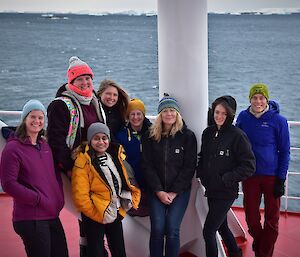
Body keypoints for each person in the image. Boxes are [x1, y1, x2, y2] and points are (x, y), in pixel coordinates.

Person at [47, 56, 106, 257]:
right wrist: (71, 167)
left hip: (96, 166)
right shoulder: (60, 105)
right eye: (80, 79)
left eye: (88, 78)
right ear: (70, 82)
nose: (85, 83)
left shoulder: (94, 99)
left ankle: (89, 250)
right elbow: (56, 140)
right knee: (88, 213)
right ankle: (93, 252)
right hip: (76, 167)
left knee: (92, 214)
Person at [0, 100, 69, 257]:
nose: (37, 121)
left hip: (51, 214)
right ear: (24, 119)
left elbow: (55, 175)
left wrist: (59, 198)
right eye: (32, 117)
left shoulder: (44, 146)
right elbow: (8, 184)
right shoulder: (13, 148)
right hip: (31, 217)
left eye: (40, 118)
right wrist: (37, 199)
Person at [196, 95, 256, 257]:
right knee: (221, 226)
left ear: (230, 115)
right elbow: (203, 157)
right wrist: (201, 174)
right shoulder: (208, 133)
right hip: (211, 189)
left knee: (208, 230)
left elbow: (249, 166)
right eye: (217, 112)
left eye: (223, 113)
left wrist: (227, 178)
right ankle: (235, 252)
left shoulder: (237, 136)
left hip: (226, 191)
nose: (219, 116)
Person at [236, 83, 290, 257]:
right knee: (251, 219)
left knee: (272, 220)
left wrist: (281, 179)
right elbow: (235, 141)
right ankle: (261, 245)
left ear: (266, 99)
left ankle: (263, 253)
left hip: (272, 177)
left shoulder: (279, 121)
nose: (258, 101)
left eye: (261, 97)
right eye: (254, 97)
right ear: (250, 99)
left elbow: (285, 151)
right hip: (250, 175)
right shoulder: (243, 118)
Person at [71, 122, 141, 257]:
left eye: (104, 138)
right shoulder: (83, 162)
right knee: (96, 252)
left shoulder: (115, 157)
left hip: (114, 212)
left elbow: (125, 181)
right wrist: (96, 215)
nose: (101, 142)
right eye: (96, 138)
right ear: (90, 140)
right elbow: (80, 196)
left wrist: (122, 208)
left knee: (119, 250)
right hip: (95, 215)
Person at [142, 94, 197, 257]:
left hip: (179, 191)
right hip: (155, 190)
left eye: (172, 110)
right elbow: (147, 165)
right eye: (165, 111)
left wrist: (173, 192)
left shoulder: (187, 136)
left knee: (172, 229)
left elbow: (189, 167)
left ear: (178, 113)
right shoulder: (150, 136)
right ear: (160, 114)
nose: (169, 114)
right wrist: (159, 191)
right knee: (158, 228)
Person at [116, 98, 151, 216]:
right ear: (128, 116)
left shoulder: (153, 132)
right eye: (132, 114)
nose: (136, 117)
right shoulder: (121, 135)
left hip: (150, 180)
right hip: (133, 181)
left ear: (143, 115)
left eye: (138, 113)